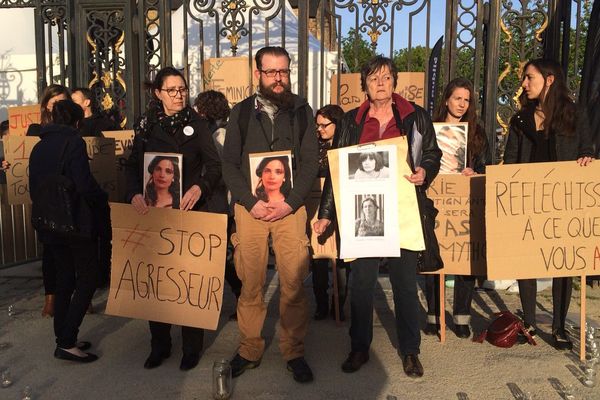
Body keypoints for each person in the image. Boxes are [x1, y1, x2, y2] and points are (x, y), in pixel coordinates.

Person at [314, 55, 442, 378]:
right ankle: (359, 347)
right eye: (373, 79)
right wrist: (326, 213)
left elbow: (432, 153)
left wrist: (425, 170)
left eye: (386, 77)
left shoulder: (416, 117)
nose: (380, 83)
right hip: (363, 214)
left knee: (404, 285)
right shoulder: (350, 122)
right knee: (361, 284)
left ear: (394, 82)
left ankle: (410, 351)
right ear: (365, 86)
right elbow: (336, 169)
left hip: (404, 210)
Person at [221, 46, 318, 383]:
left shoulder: (303, 111)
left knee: (292, 283)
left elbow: (309, 163)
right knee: (251, 282)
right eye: (271, 71)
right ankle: (249, 349)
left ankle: (294, 350)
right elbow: (230, 164)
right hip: (252, 210)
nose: (278, 78)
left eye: (283, 71)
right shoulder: (242, 113)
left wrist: (290, 202)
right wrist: (250, 201)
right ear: (257, 73)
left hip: (290, 209)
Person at [125, 66, 221, 371]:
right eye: (172, 90)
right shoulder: (145, 126)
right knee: (159, 284)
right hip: (155, 214)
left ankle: (192, 348)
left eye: (182, 89)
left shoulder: (199, 124)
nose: (179, 95)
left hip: (190, 212)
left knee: (190, 283)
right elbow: (131, 166)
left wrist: (199, 186)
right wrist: (133, 194)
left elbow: (215, 167)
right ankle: (160, 345)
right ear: (158, 93)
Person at [504, 59, 594, 350]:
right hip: (527, 199)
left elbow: (586, 148)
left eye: (529, 78)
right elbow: (509, 160)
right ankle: (528, 322)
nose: (524, 84)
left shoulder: (574, 114)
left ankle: (558, 326)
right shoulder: (520, 120)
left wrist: (586, 158)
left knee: (564, 263)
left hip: (563, 202)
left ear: (550, 79)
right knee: (526, 259)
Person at [29, 99, 109, 363]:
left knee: (64, 277)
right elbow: (84, 185)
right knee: (88, 276)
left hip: (49, 223)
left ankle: (63, 337)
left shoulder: (39, 146)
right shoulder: (74, 142)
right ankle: (66, 340)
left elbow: (34, 187)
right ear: (77, 122)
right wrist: (102, 197)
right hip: (75, 222)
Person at [424, 77, 491, 339]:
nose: (462, 104)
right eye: (457, 98)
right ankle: (433, 315)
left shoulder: (477, 132)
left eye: (467, 100)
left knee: (464, 256)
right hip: (436, 196)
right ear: (446, 100)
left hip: (464, 200)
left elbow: (487, 166)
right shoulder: (430, 129)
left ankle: (462, 316)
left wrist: (474, 171)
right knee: (434, 254)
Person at [194, 90, 242, 320]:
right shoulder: (216, 131)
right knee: (216, 254)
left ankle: (240, 292)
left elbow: (222, 171)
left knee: (218, 255)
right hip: (213, 201)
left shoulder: (219, 134)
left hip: (219, 201)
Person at [26, 84, 71, 317]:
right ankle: (50, 298)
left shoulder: (75, 130)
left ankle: (75, 295)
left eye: (63, 103)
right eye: (55, 104)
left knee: (73, 251)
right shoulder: (35, 131)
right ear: (46, 106)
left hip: (70, 201)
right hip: (46, 201)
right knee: (50, 252)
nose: (59, 109)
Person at [312, 104, 348, 321]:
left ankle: (339, 305)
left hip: (341, 209)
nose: (320, 129)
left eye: (325, 125)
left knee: (341, 261)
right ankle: (321, 305)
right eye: (318, 125)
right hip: (317, 208)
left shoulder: (345, 146)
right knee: (318, 259)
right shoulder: (313, 147)